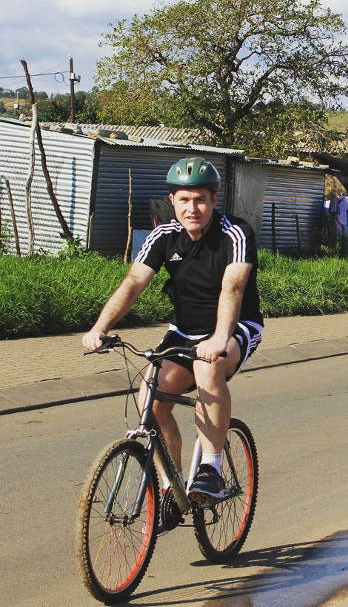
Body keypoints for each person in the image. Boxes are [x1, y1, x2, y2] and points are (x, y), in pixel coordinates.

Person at [82, 156, 263, 502]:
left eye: (200, 199)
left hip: (236, 326)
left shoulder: (235, 233)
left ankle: (210, 468)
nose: (191, 208)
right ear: (172, 202)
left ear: (213, 200)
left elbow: (233, 288)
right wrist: (99, 328)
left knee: (208, 369)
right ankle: (172, 486)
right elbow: (133, 283)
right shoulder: (163, 236)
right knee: (150, 397)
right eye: (184, 199)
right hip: (184, 331)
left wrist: (221, 337)